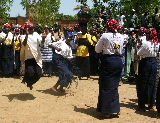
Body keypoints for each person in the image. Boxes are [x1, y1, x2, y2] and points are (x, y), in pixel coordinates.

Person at [95, 19, 125, 118]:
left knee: (106, 85)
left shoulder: (105, 35)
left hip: (108, 61)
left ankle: (107, 111)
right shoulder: (121, 36)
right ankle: (116, 109)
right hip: (118, 61)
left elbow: (97, 49)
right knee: (114, 85)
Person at [137, 28, 159, 111]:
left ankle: (142, 103)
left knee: (143, 82)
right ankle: (151, 102)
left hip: (146, 62)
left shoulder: (146, 43)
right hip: (154, 62)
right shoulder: (157, 43)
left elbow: (139, 53)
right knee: (152, 82)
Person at [20, 25, 43, 90]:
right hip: (28, 58)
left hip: (37, 58)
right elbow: (24, 44)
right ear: (27, 29)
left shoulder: (36, 35)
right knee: (30, 73)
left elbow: (42, 43)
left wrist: (44, 38)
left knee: (38, 74)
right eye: (30, 28)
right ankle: (27, 81)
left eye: (33, 28)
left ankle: (29, 83)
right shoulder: (23, 36)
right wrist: (27, 35)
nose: (32, 30)